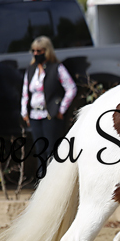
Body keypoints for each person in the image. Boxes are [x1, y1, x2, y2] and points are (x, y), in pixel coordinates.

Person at [20, 36, 77, 172]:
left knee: (51, 148)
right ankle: (41, 177)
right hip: (34, 114)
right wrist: (24, 112)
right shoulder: (31, 69)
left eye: (39, 51)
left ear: (47, 51)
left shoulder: (57, 68)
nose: (36, 54)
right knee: (39, 149)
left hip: (50, 114)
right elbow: (25, 92)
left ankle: (53, 178)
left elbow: (71, 88)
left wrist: (61, 109)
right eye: (33, 51)